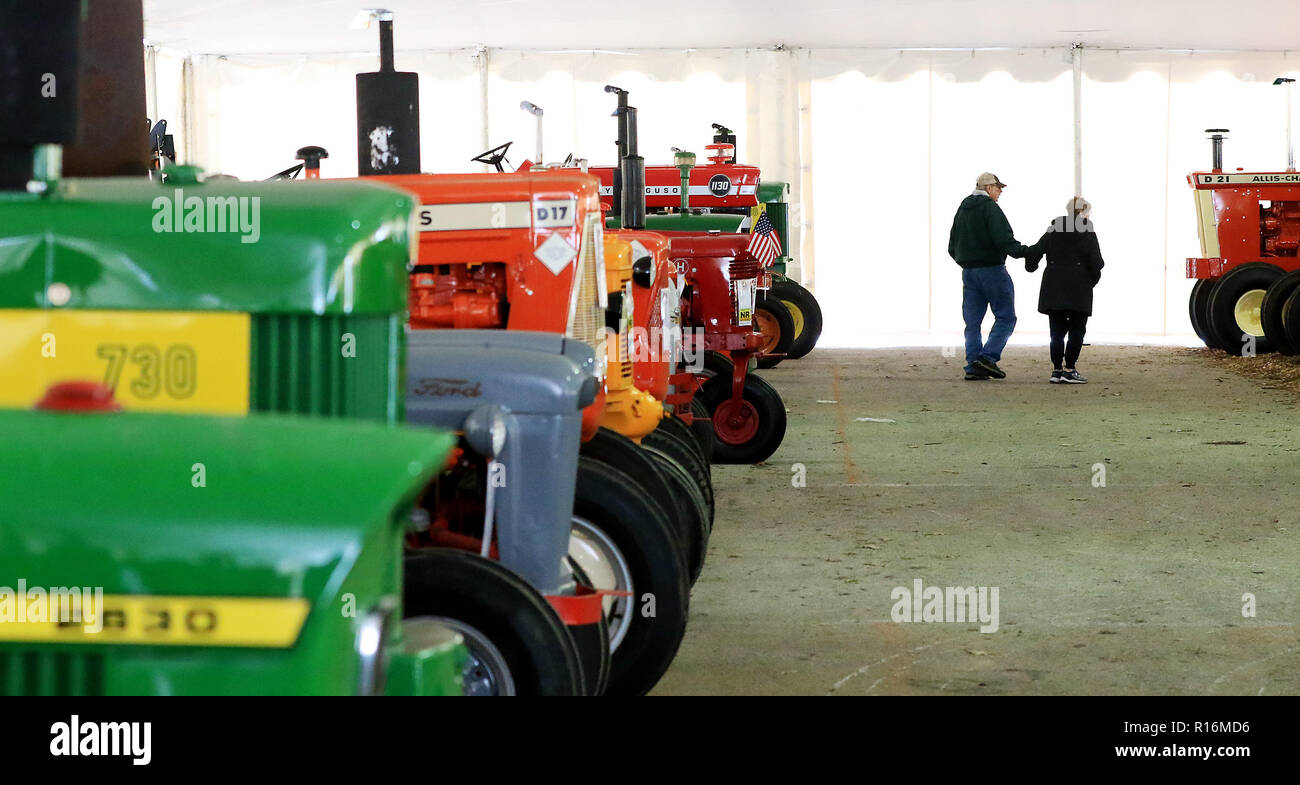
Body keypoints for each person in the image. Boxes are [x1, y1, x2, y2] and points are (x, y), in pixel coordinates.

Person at [948, 172, 1032, 381]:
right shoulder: (990, 208)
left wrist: (964, 261)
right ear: (988, 188)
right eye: (998, 187)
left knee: (972, 321)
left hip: (968, 272)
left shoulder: (962, 208)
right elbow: (1003, 238)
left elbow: (951, 244)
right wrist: (1025, 252)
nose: (1000, 191)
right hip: (992, 270)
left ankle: (973, 364)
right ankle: (988, 357)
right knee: (1006, 317)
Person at [1024, 197, 1104, 384]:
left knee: (1056, 331)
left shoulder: (1053, 229)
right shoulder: (1088, 232)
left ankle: (1056, 369)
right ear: (1083, 212)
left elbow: (1035, 252)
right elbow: (1097, 263)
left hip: (1054, 286)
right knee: (1077, 330)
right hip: (1079, 287)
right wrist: (1091, 281)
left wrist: (1031, 263)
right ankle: (1070, 368)